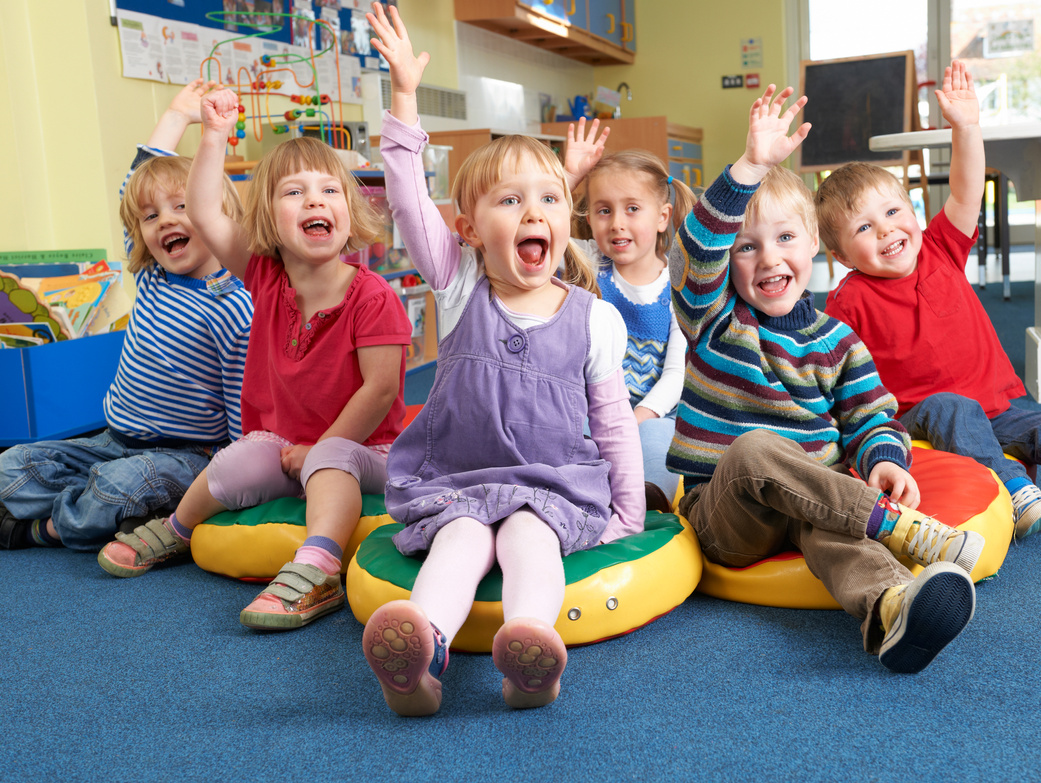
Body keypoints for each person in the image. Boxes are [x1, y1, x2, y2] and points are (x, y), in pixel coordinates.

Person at [361, 1, 644, 715]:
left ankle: (530, 652)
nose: (533, 213)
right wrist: (402, 97)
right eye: (509, 200)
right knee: (459, 540)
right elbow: (405, 199)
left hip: (550, 485)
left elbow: (613, 425)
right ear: (467, 230)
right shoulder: (457, 284)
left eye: (549, 198)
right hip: (460, 477)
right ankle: (419, 654)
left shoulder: (595, 319)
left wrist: (627, 514)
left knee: (529, 540)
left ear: (566, 219)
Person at [670, 84, 985, 673]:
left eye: (786, 238)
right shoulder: (712, 321)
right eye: (747, 247)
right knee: (757, 448)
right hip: (727, 515)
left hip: (815, 500)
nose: (769, 259)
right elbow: (698, 249)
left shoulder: (838, 341)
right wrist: (749, 168)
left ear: (815, 244)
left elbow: (869, 416)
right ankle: (897, 527)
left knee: (832, 529)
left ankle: (892, 610)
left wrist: (884, 460)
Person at [95, 84, 413, 632]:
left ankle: (316, 569)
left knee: (329, 461)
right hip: (285, 448)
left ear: (348, 208)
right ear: (268, 218)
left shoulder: (373, 296)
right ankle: (176, 528)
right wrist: (213, 134)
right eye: (295, 193)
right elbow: (202, 210)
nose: (315, 201)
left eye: (329, 190)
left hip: (366, 450)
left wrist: (321, 447)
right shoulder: (265, 276)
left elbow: (380, 390)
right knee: (238, 457)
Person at [818, 61, 1041, 541]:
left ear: (913, 212)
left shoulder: (941, 247)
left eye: (893, 211)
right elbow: (832, 370)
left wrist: (966, 126)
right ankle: (1013, 490)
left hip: (996, 409)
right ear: (840, 256)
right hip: (921, 414)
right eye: (864, 228)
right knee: (953, 408)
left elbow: (966, 192)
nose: (885, 230)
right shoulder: (849, 299)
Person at [0, 79, 253, 551]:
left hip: (184, 454)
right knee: (10, 465)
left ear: (217, 214)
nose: (166, 221)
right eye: (152, 217)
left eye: (183, 207)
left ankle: (44, 529)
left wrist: (236, 477)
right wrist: (177, 115)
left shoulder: (233, 304)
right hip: (111, 438)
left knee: (118, 487)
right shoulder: (153, 274)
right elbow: (132, 186)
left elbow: (243, 402)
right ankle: (109, 507)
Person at [560, 124, 697, 507]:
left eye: (632, 209)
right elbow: (544, 223)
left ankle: (648, 500)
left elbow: (675, 373)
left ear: (662, 216)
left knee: (659, 442)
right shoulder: (588, 265)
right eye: (604, 210)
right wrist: (568, 178)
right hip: (592, 408)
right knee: (572, 434)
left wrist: (638, 416)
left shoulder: (679, 286)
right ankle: (578, 493)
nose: (617, 222)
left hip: (653, 412)